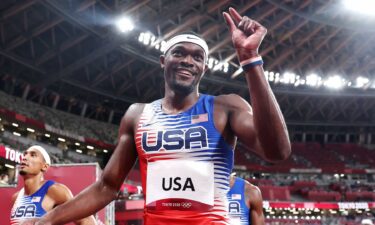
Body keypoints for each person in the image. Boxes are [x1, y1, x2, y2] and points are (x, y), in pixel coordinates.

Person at [22, 7, 291, 225]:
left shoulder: (226, 107)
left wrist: (250, 59)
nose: (188, 61)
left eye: (197, 57)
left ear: (204, 69)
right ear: (163, 61)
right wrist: (48, 220)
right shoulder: (137, 115)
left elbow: (277, 151)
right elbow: (106, 187)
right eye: (179, 53)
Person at [10, 145, 97, 225]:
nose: (25, 158)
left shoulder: (55, 190)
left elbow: (86, 220)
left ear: (44, 166)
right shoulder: (16, 197)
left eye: (33, 155)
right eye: (25, 154)